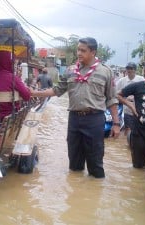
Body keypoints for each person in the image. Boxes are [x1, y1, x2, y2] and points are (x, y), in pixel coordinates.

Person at [30, 37, 120, 178]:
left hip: (95, 119)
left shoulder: (105, 72)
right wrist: (33, 93)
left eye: (83, 50)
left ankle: (94, 191)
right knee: (74, 163)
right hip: (74, 119)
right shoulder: (70, 71)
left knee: (95, 162)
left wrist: (116, 123)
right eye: (78, 49)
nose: (79, 53)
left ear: (93, 52)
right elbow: (57, 91)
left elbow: (112, 99)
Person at [116, 62, 145, 135]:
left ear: (135, 70)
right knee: (128, 129)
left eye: (131, 68)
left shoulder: (141, 80)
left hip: (140, 109)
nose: (129, 70)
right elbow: (115, 93)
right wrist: (125, 99)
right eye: (128, 68)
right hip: (127, 109)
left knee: (140, 129)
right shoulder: (121, 81)